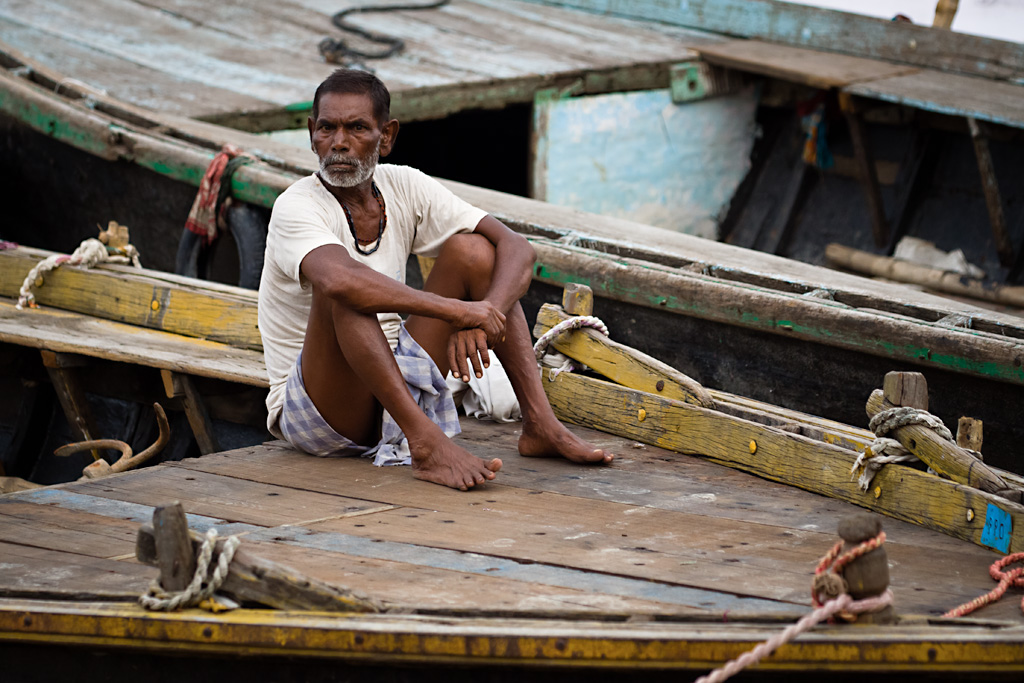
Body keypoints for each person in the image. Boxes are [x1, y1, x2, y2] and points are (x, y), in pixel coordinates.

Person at [258, 68, 613, 491]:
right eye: (327, 129)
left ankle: (539, 423)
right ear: (312, 134)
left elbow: (517, 248)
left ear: (385, 136)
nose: (339, 143)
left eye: (356, 128)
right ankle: (425, 443)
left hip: (393, 382)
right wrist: (459, 311)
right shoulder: (295, 206)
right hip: (319, 412)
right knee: (345, 290)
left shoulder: (404, 185)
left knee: (474, 251)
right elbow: (340, 283)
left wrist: (486, 315)